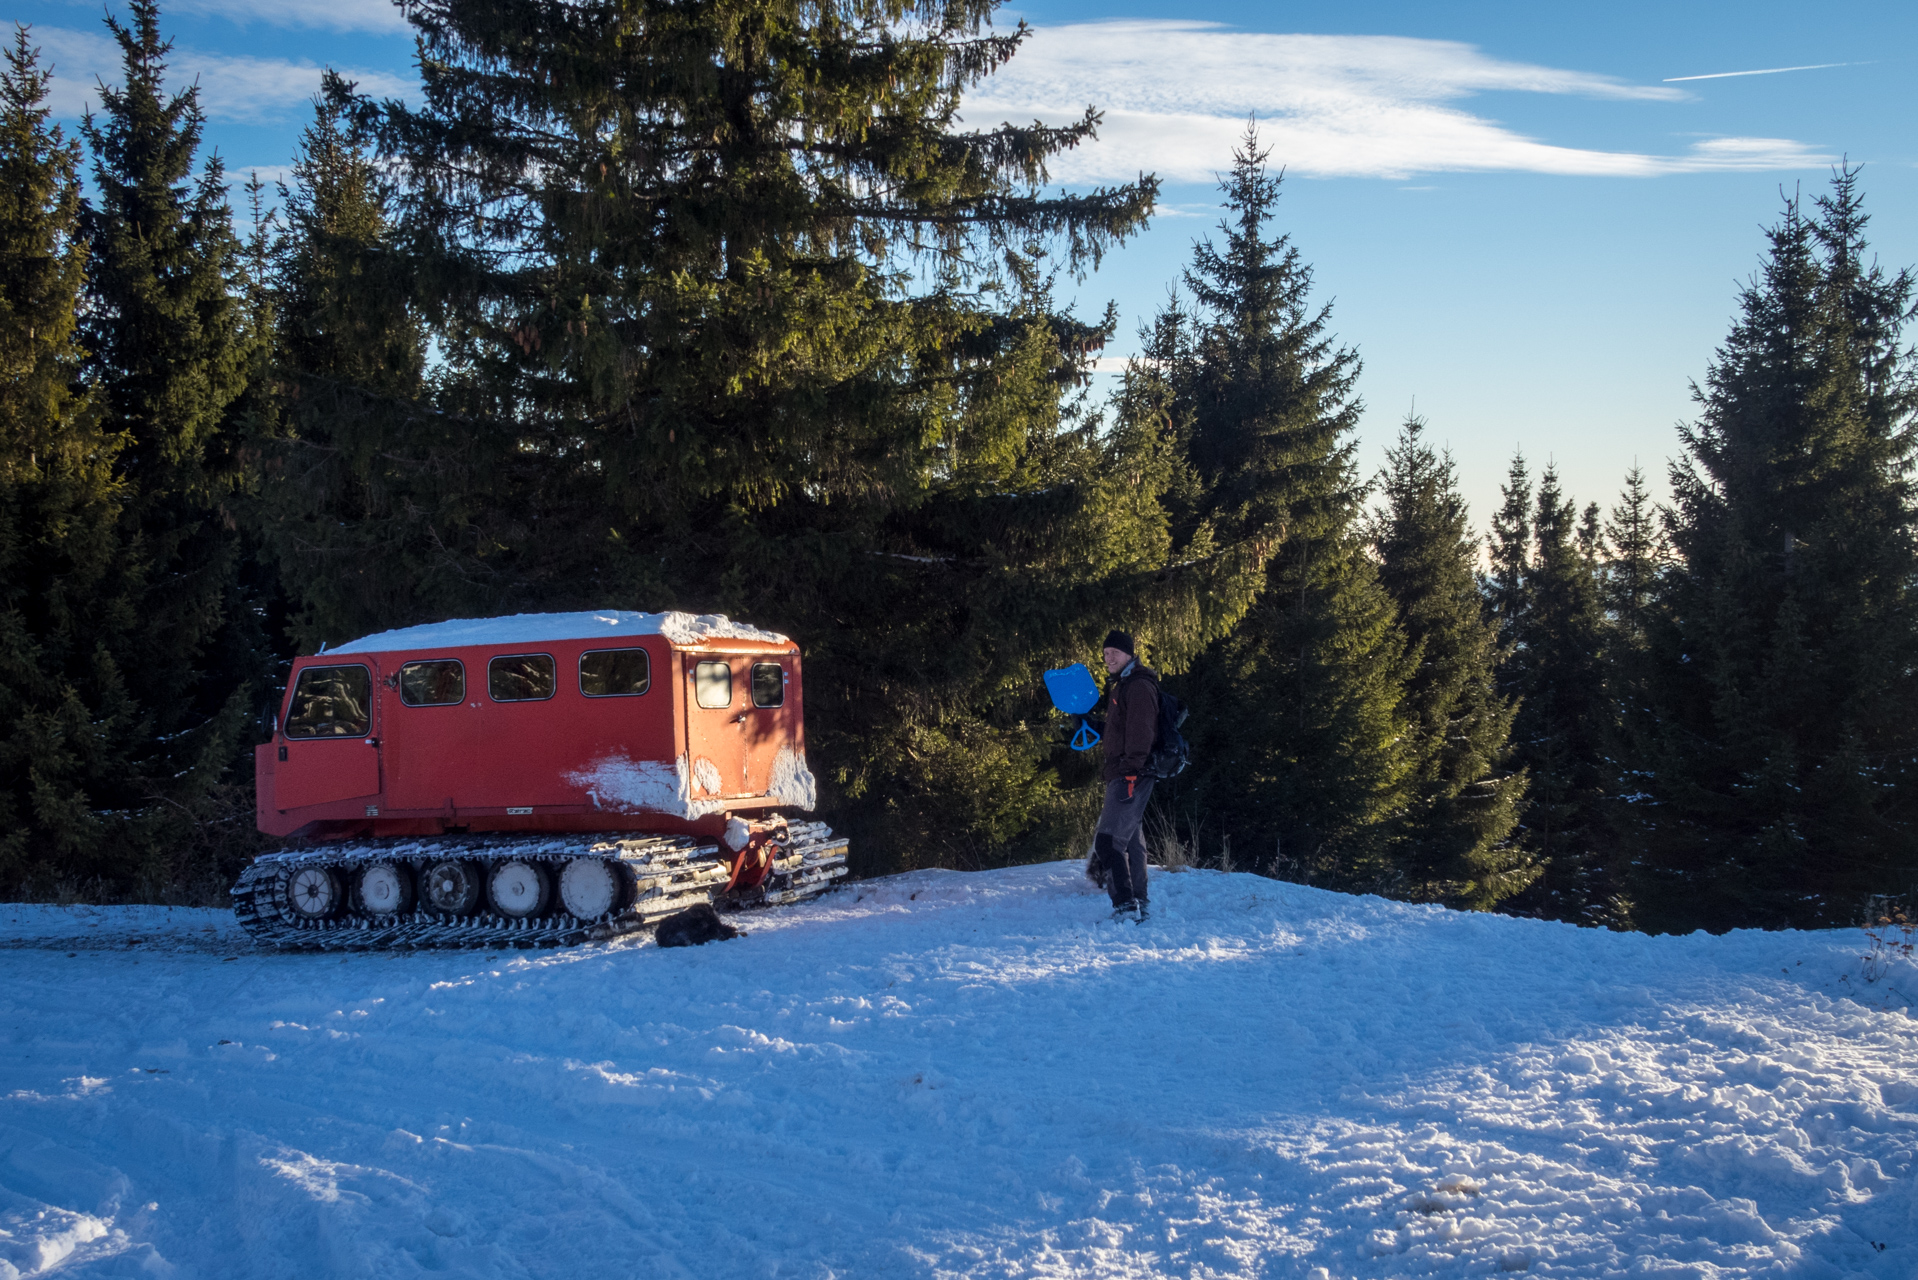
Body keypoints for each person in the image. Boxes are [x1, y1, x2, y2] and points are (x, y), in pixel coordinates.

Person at [1089, 629, 1160, 922]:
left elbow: (1141, 731)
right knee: (1131, 840)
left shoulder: (1138, 686)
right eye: (1105, 654)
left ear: (1129, 653)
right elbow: (1118, 731)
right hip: (1127, 770)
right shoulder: (1123, 685)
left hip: (1130, 773)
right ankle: (1139, 902)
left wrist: (1131, 769)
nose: (1108, 658)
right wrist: (1088, 722)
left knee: (1108, 842)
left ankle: (1125, 906)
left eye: (1114, 653)